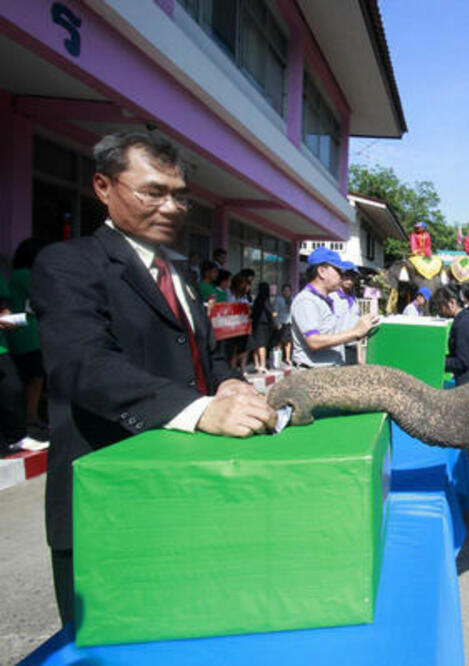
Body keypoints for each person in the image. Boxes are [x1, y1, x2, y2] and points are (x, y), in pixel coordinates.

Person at [31, 131, 276, 625]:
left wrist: (228, 383)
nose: (171, 207)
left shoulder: (179, 278)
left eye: (179, 195)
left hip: (183, 499)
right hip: (109, 506)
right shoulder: (69, 264)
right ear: (103, 186)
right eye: (152, 192)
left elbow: (208, 359)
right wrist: (203, 409)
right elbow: (84, 367)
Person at [432, 286, 469, 495]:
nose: (440, 311)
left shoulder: (463, 324)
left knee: (468, 441)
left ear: (450, 302)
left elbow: (462, 361)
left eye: (441, 306)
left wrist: (436, 361)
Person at [290, 248, 378, 368]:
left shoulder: (324, 300)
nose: (341, 276)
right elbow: (314, 341)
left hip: (331, 370)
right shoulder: (307, 300)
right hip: (313, 376)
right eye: (338, 271)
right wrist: (355, 332)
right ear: (322, 272)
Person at [8, 237, 49, 439]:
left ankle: (30, 416)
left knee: (31, 378)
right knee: (34, 378)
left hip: (21, 332)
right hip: (27, 332)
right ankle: (31, 417)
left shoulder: (17, 275)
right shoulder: (26, 275)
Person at [333, 269, 362, 364]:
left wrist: (360, 356)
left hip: (352, 347)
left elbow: (356, 326)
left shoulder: (354, 300)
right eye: (347, 276)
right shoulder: (332, 297)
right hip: (337, 347)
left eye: (352, 278)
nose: (349, 280)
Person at [248, 282, 274, 373]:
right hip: (263, 325)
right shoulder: (265, 300)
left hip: (255, 323)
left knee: (256, 345)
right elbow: (271, 313)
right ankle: (263, 365)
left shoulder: (257, 299)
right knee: (262, 345)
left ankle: (256, 364)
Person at [272, 283, 294, 366]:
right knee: (279, 341)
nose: (286, 292)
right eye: (285, 291)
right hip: (280, 323)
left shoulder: (292, 299)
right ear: (282, 291)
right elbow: (275, 312)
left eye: (288, 291)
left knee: (288, 341)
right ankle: (278, 358)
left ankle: (287, 358)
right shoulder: (279, 300)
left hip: (289, 323)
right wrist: (275, 322)